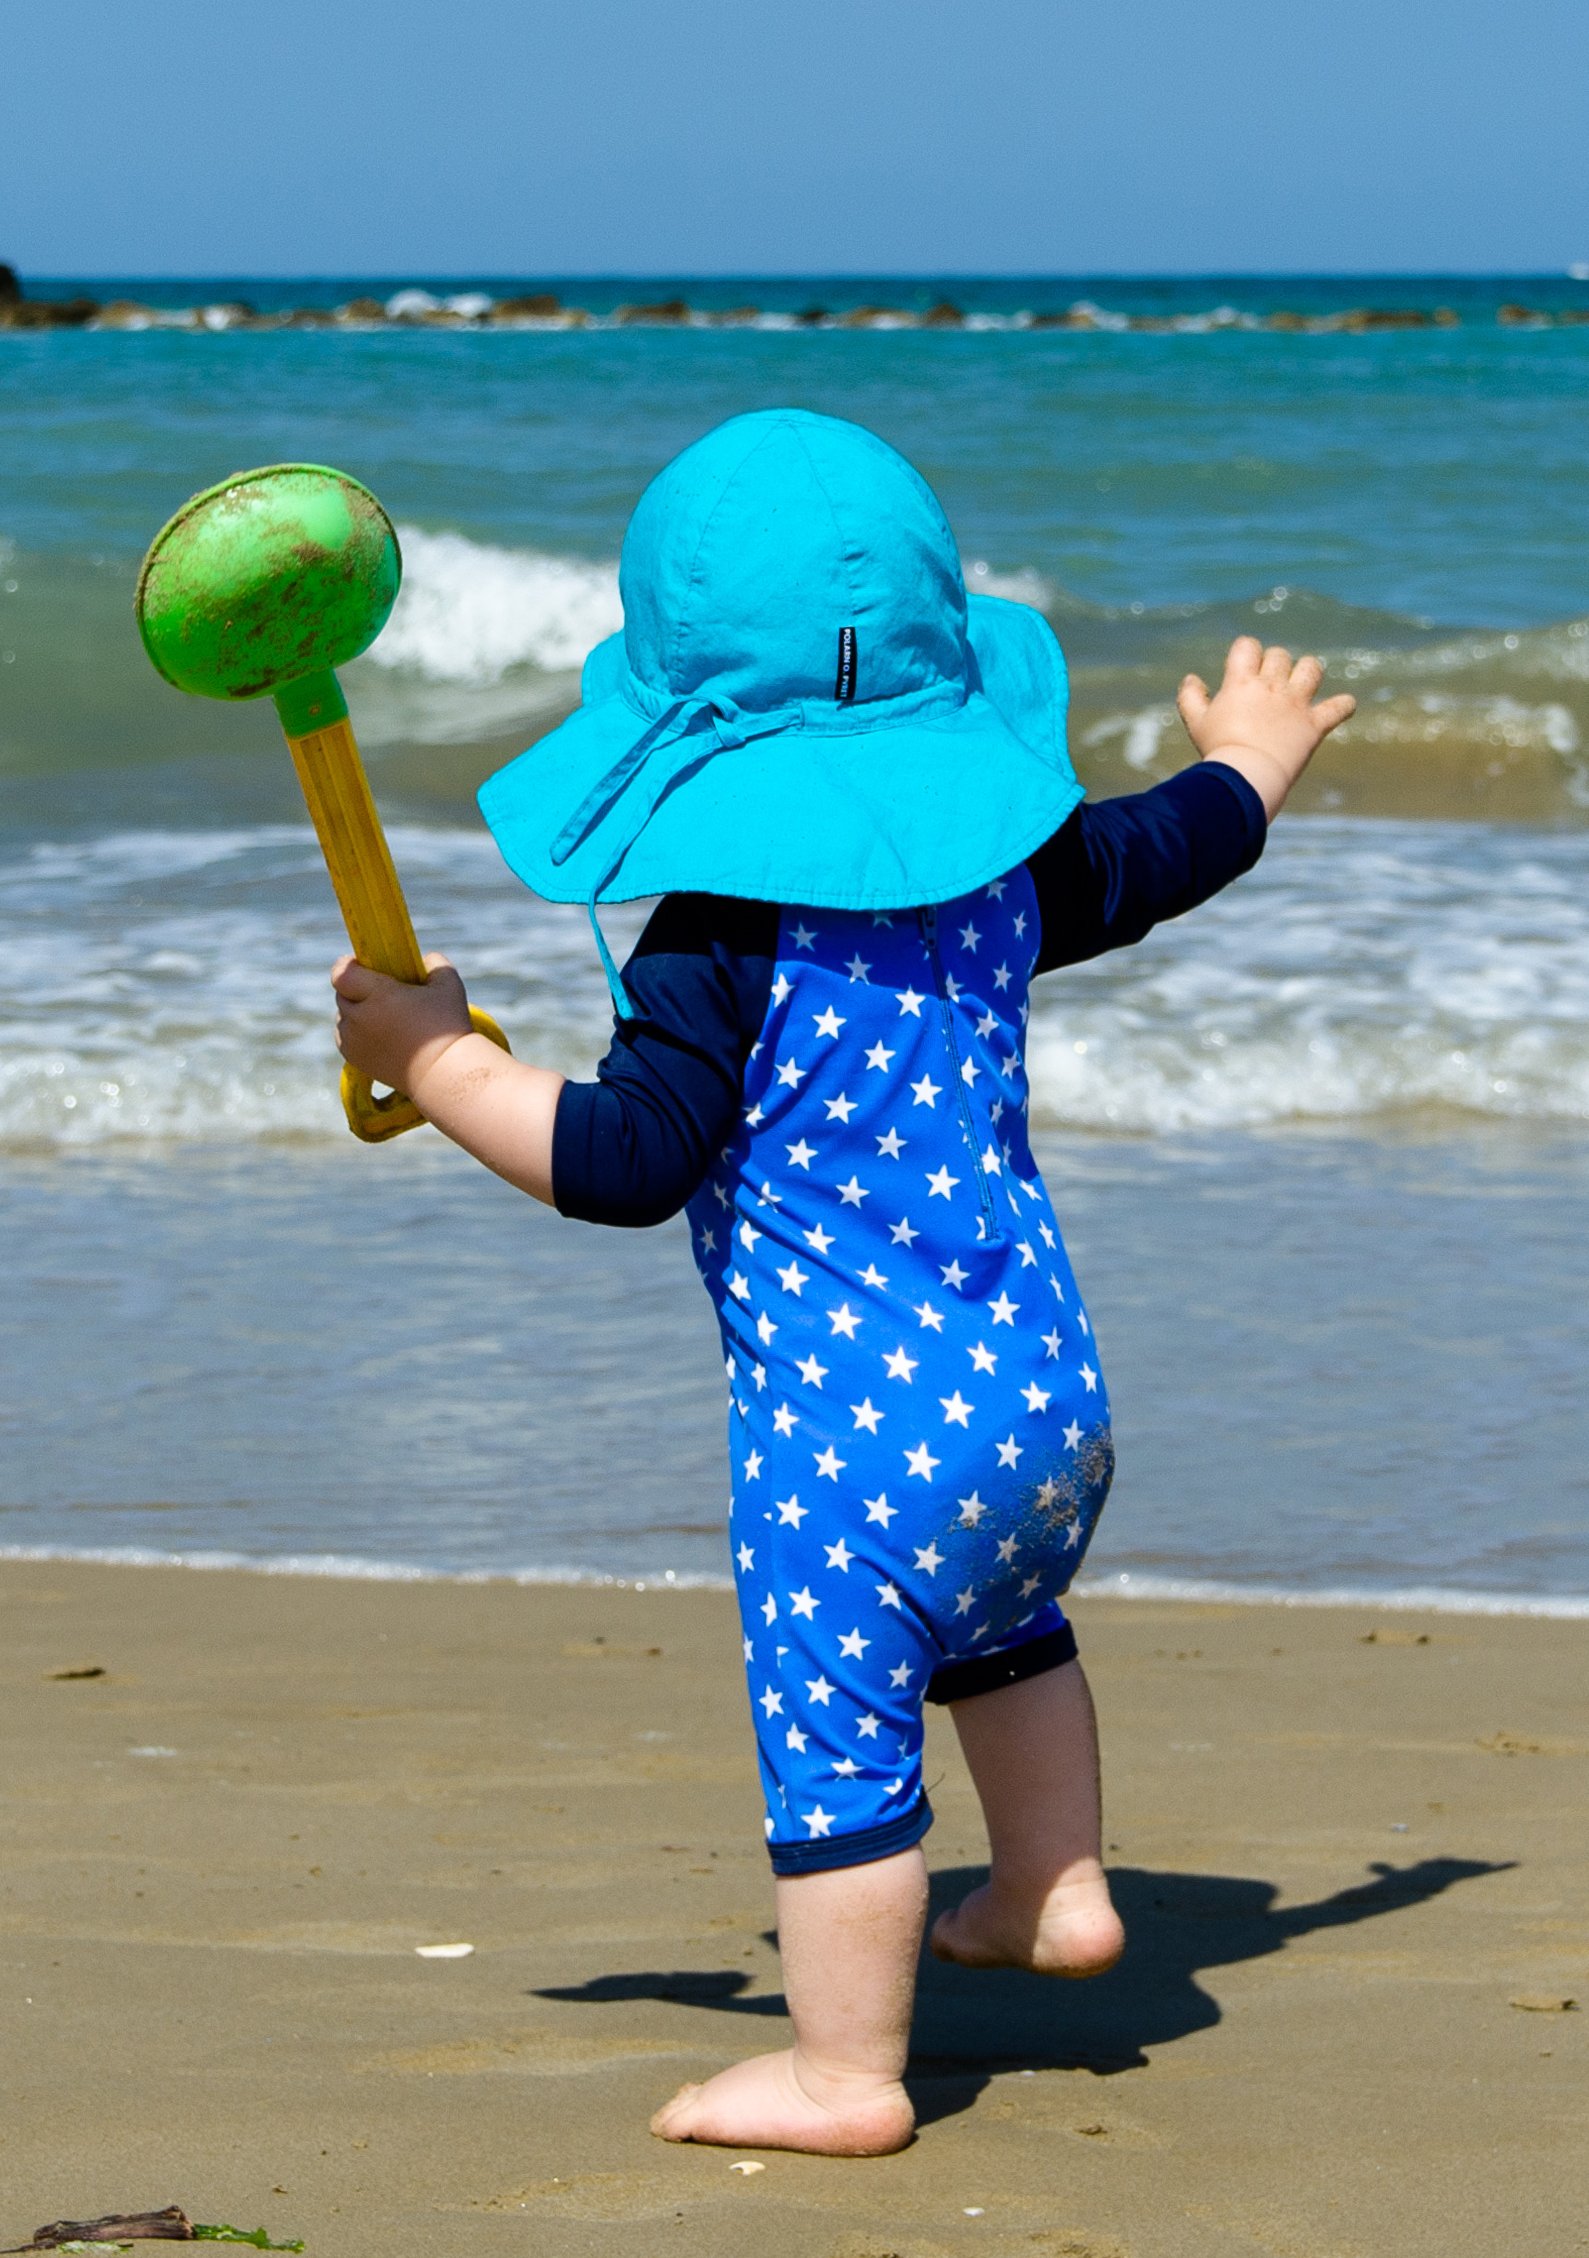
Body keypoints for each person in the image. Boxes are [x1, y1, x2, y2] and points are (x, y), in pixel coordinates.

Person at [329, 409, 1350, 2156]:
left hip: (850, 1447)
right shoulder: (1013, 867)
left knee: (841, 1742)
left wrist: (436, 1064)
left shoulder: (720, 933)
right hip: (1046, 1404)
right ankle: (1053, 1884)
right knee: (1005, 1628)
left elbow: (621, 1162)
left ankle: (844, 2070)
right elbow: (1168, 848)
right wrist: (1253, 760)